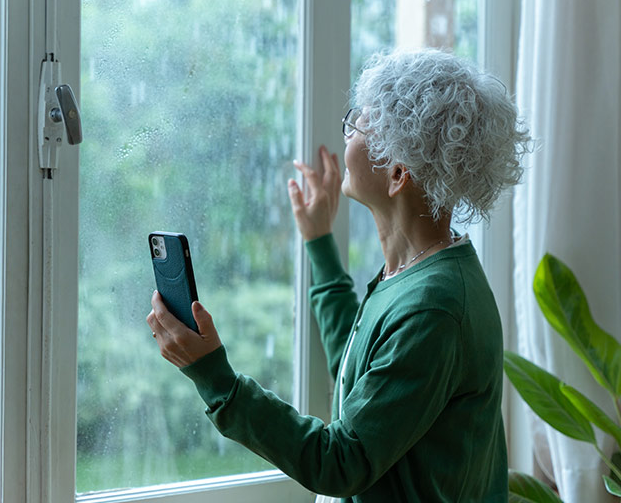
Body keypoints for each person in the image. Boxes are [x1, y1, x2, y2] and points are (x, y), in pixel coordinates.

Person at [147, 48, 530, 502]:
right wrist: (319, 241)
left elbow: (341, 462)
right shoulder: (422, 272)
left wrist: (215, 378)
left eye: (359, 125)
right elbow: (360, 370)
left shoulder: (435, 307)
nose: (347, 133)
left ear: (397, 174)